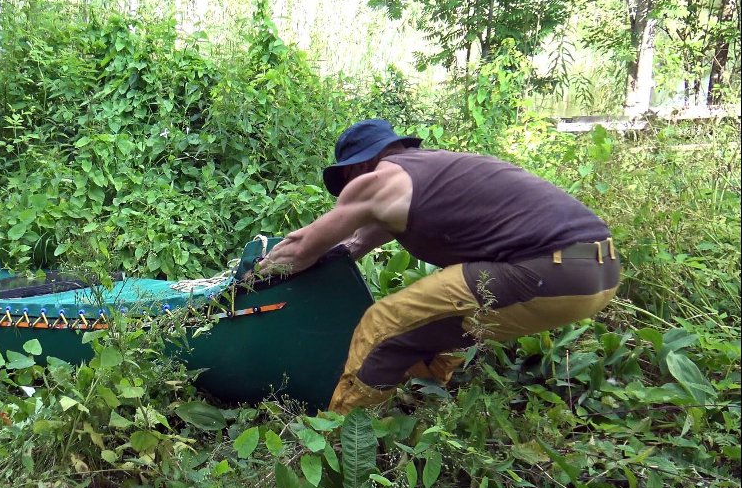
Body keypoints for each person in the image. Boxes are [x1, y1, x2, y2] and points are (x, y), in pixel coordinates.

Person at [257, 119, 620, 413]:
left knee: (383, 324)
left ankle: (342, 436)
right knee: (430, 318)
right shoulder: (429, 175)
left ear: (361, 166)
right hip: (599, 270)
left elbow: (302, 249)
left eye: (347, 180)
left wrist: (248, 279)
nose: (351, 189)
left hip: (550, 268)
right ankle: (421, 401)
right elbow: (351, 246)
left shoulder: (379, 179)